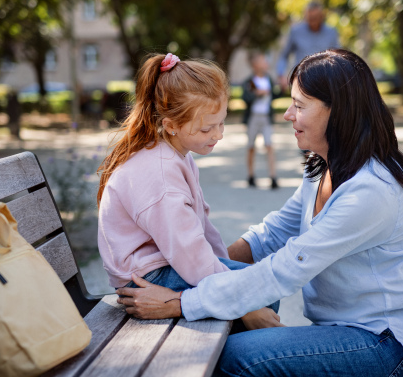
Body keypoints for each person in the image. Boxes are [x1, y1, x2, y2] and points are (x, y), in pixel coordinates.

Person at [116, 48, 403, 377]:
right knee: (233, 320)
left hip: (386, 345)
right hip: (347, 331)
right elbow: (272, 234)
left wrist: (178, 302)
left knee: (234, 355)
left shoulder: (371, 191)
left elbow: (286, 269)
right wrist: (205, 268)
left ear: (337, 112)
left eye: (299, 105)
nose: (287, 114)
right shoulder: (326, 166)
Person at [97, 53, 279, 329]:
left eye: (222, 122)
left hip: (165, 264)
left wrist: (225, 265)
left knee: (260, 289)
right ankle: (236, 360)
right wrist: (239, 302)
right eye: (207, 128)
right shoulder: (160, 174)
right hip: (148, 279)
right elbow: (189, 251)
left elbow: (202, 228)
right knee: (261, 295)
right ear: (170, 125)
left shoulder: (176, 153)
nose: (218, 135)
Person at [276, 1, 339, 91]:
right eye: (310, 18)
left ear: (321, 17)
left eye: (315, 18)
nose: (312, 21)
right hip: (301, 80)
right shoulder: (296, 32)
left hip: (324, 82)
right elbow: (284, 56)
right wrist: (281, 75)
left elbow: (337, 57)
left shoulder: (331, 32)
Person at [241, 52, 280, 189]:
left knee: (269, 145)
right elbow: (245, 98)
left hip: (266, 117)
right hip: (253, 117)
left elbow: (274, 95)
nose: (266, 63)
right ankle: (251, 175)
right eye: (263, 61)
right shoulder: (249, 82)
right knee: (251, 146)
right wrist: (257, 94)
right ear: (255, 65)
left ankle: (273, 176)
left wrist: (281, 88)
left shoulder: (268, 79)